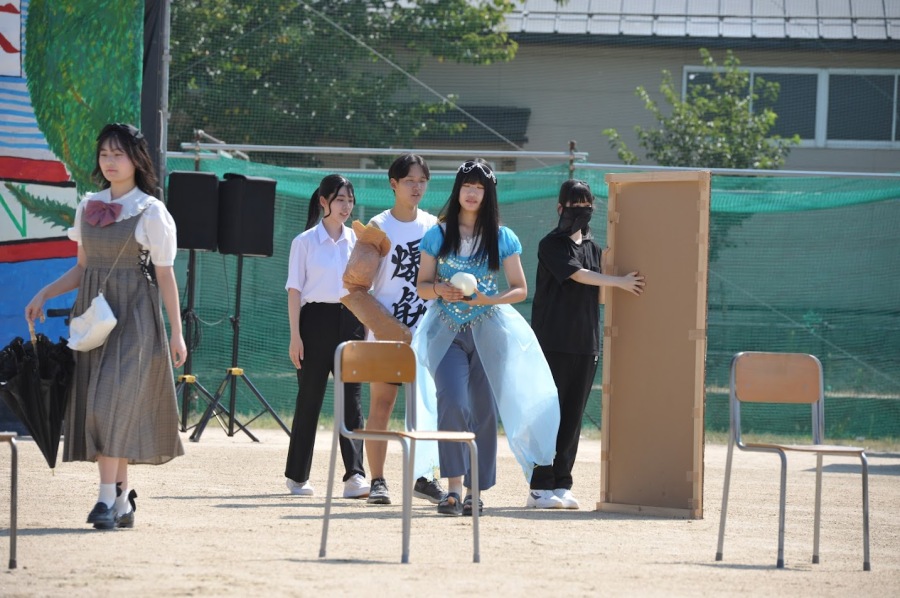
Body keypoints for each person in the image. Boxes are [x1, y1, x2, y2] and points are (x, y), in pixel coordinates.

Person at [25, 122, 186, 529]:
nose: (110, 161)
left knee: (108, 404)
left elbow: (165, 275)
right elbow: (83, 268)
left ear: (136, 159)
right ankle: (122, 501)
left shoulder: (151, 211)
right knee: (104, 405)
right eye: (104, 154)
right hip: (94, 320)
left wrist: (177, 331)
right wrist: (44, 293)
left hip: (136, 318)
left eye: (118, 154)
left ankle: (102, 499)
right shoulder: (88, 205)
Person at [413, 158, 561, 516]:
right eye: (467, 186)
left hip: (490, 331)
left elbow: (520, 289)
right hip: (444, 332)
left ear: (488, 193)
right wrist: (440, 289)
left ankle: (474, 492)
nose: (472, 193)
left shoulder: (501, 236)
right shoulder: (437, 234)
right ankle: (452, 489)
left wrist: (487, 299)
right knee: (452, 401)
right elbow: (422, 287)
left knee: (483, 410)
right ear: (457, 190)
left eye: (479, 188)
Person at [529, 179, 645, 509]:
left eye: (586, 205)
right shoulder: (551, 244)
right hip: (552, 342)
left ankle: (562, 483)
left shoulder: (594, 248)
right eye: (574, 205)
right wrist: (619, 280)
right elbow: (578, 275)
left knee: (573, 417)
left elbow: (600, 297)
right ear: (560, 208)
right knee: (547, 415)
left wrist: (607, 268)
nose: (581, 211)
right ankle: (539, 486)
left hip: (586, 343)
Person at [358, 153, 445, 505]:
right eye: (410, 181)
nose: (417, 187)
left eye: (422, 181)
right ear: (393, 184)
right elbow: (357, 285)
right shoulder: (377, 226)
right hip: (386, 332)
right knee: (381, 404)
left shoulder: (434, 226)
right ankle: (378, 480)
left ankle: (425, 478)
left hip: (427, 332)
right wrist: (383, 326)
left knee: (427, 407)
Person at [284, 174, 369, 499]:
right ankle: (297, 477)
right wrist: (296, 336)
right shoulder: (304, 242)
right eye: (340, 199)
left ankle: (355, 476)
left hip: (352, 321)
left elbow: (364, 291)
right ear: (323, 202)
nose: (346, 206)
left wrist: (367, 333)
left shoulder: (359, 242)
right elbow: (294, 290)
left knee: (352, 401)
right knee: (309, 399)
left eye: (350, 200)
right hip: (314, 322)